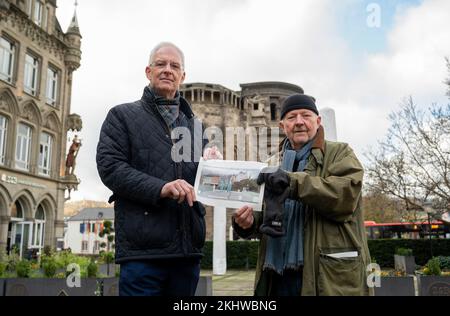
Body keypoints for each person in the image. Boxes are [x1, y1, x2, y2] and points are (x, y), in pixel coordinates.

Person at [97, 42, 217, 296]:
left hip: (187, 254)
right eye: (160, 64)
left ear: (182, 76)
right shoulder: (122, 116)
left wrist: (212, 165)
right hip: (143, 255)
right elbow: (111, 168)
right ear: (148, 71)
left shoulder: (197, 127)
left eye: (174, 66)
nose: (167, 70)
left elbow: (204, 183)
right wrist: (161, 188)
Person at [233, 94, 371, 296]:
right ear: (282, 126)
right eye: (291, 117)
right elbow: (268, 216)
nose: (299, 122)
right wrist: (249, 223)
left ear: (318, 121)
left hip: (325, 274)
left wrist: (291, 182)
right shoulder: (271, 164)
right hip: (276, 276)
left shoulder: (340, 153)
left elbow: (344, 197)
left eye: (305, 115)